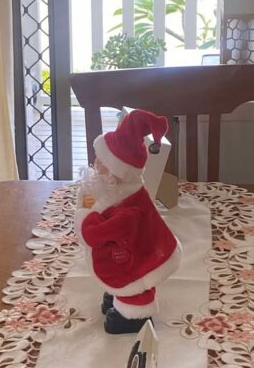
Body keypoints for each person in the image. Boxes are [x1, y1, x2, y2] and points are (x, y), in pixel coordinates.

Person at [76, 109, 182, 334]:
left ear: (116, 172)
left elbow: (94, 234)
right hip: (128, 252)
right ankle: (121, 296)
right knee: (125, 277)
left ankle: (133, 316)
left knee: (136, 281)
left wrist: (89, 219)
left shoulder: (128, 206)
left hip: (137, 257)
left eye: (101, 162)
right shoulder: (120, 191)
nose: (95, 164)